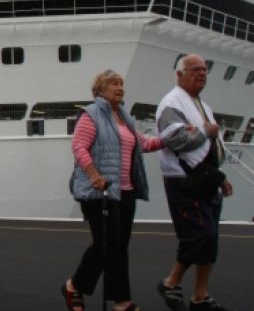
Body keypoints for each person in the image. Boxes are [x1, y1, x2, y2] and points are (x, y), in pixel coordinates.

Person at [62, 70, 164, 311]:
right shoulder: (92, 114)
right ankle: (74, 285)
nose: (120, 87)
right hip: (100, 191)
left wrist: (173, 137)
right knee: (105, 245)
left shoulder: (124, 117)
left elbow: (145, 144)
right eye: (113, 84)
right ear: (100, 89)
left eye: (121, 83)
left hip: (125, 191)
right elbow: (78, 146)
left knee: (118, 248)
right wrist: (94, 175)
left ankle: (121, 301)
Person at [156, 55, 234, 311]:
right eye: (195, 70)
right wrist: (205, 132)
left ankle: (200, 296)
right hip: (185, 180)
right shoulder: (171, 103)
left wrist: (220, 177)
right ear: (179, 74)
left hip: (206, 179)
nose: (202, 74)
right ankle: (171, 281)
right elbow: (175, 139)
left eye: (204, 70)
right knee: (200, 235)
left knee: (210, 242)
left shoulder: (201, 104)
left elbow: (209, 145)